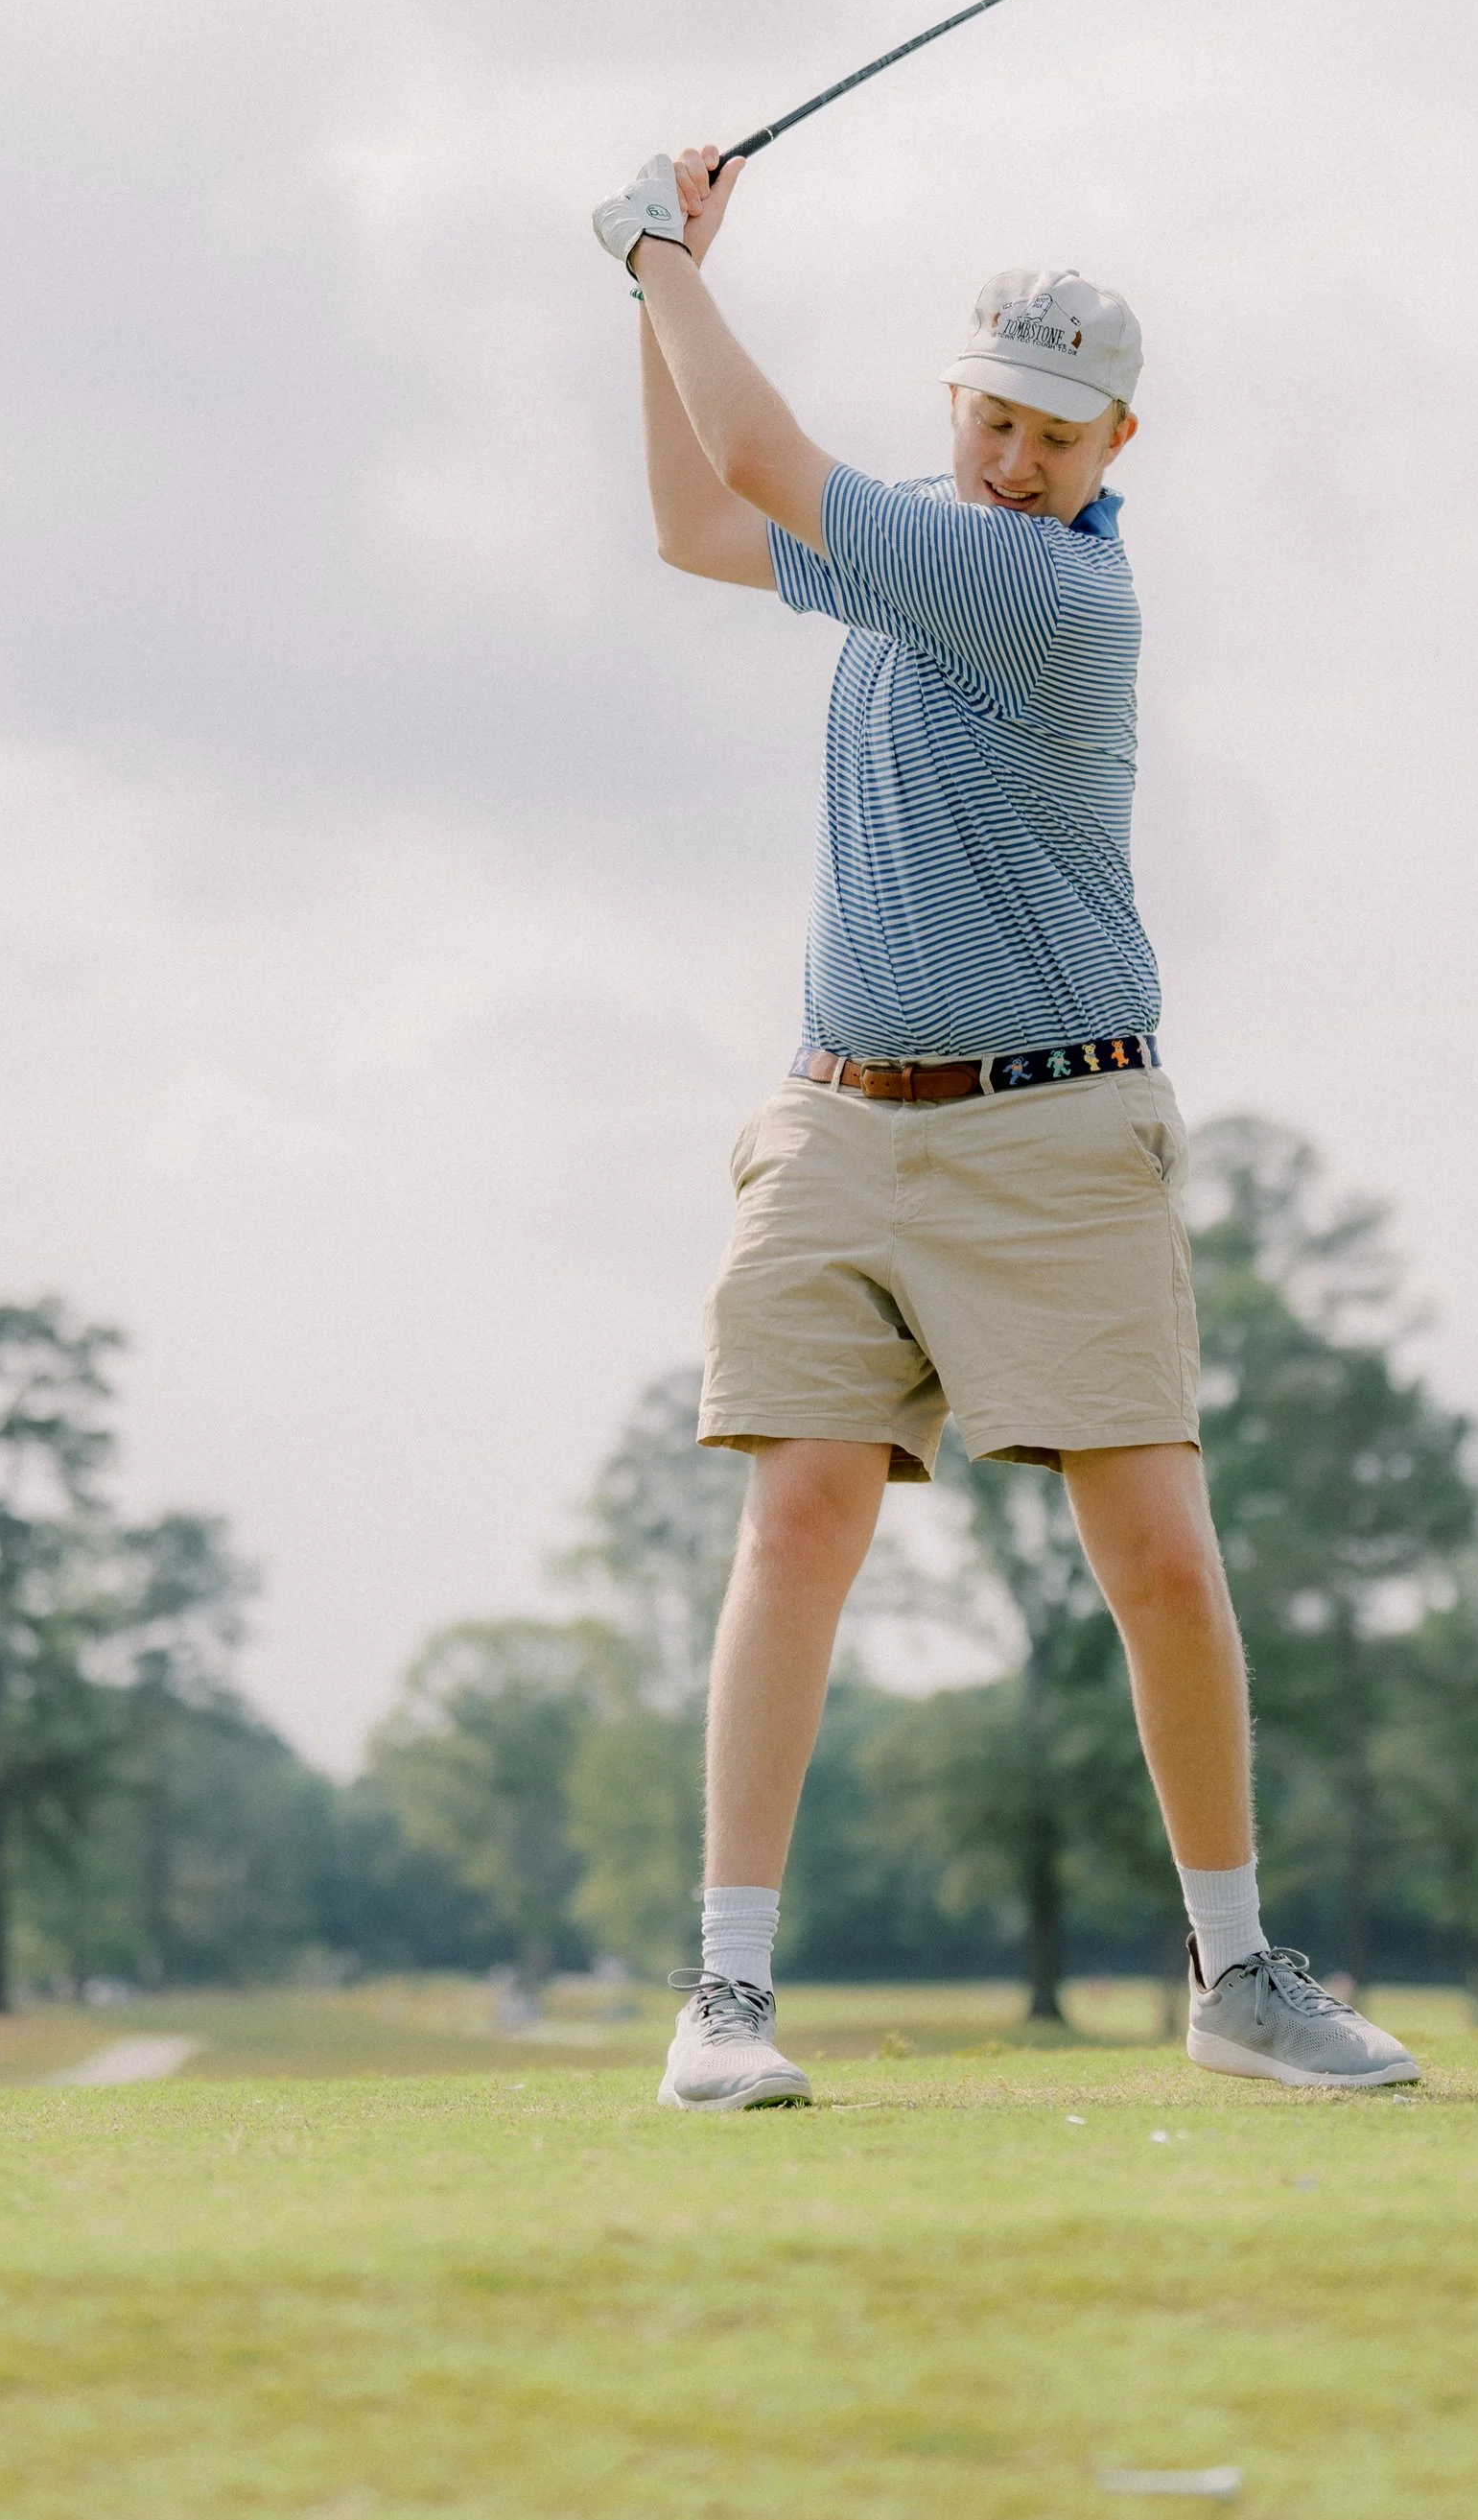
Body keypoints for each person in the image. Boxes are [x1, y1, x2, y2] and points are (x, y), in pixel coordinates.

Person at [594, 142, 1419, 2110]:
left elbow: (771, 465)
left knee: (1152, 1555)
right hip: (833, 1122)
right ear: (953, 399)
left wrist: (654, 255)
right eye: (993, 414)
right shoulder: (904, 556)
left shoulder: (1042, 588)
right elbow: (693, 521)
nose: (1019, 453)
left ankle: (1235, 1975)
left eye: (1058, 428)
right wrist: (654, 296)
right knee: (793, 1520)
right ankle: (724, 2000)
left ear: (1114, 438)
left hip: (1054, 1132)